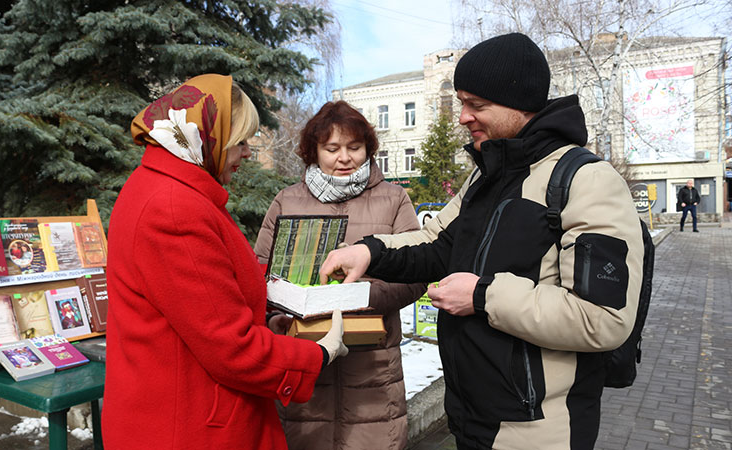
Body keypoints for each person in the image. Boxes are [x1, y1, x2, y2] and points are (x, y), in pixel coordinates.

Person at [320, 33, 645, 449]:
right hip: (471, 418)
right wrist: (370, 251)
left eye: (477, 105)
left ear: (521, 104)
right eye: (461, 102)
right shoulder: (486, 175)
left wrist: (483, 296)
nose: (462, 117)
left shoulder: (586, 181)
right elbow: (437, 244)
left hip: (539, 430)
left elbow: (602, 318)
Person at [102, 74, 348, 450]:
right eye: (241, 141)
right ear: (205, 137)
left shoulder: (169, 190)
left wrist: (266, 322)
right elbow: (230, 348)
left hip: (182, 411)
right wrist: (317, 353)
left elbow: (203, 309)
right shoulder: (174, 208)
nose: (247, 153)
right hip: (189, 427)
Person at [253, 101, 425, 450]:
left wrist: (358, 295)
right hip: (305, 363)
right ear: (313, 151)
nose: (344, 158)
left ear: (368, 149)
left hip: (373, 370)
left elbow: (416, 272)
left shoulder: (394, 199)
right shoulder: (287, 200)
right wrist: (280, 312)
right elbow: (261, 274)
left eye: (354, 147)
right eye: (332, 149)